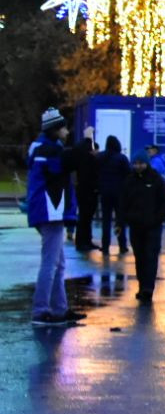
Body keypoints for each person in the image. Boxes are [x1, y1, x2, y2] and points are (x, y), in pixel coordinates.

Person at [27, 109, 94, 325]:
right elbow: (68, 161)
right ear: (55, 129)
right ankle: (41, 311)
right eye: (63, 127)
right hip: (50, 210)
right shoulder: (48, 150)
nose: (66, 131)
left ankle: (59, 309)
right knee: (51, 264)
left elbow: (68, 159)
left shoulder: (42, 148)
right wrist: (87, 140)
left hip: (47, 210)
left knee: (58, 263)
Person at [121, 148, 165, 303]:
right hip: (135, 226)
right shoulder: (129, 180)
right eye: (135, 163)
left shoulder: (156, 179)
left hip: (152, 227)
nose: (138, 166)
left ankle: (148, 288)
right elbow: (123, 202)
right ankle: (142, 285)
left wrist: (157, 219)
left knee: (150, 256)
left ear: (146, 163)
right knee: (139, 257)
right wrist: (125, 219)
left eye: (141, 163)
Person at [97, 135, 131, 255]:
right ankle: (122, 245)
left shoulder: (100, 157)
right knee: (120, 220)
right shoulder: (121, 158)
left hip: (105, 192)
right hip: (119, 193)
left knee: (106, 220)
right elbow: (128, 174)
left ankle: (105, 246)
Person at [74, 132, 101, 252]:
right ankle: (82, 241)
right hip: (88, 192)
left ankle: (86, 240)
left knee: (86, 218)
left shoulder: (85, 161)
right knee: (85, 218)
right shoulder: (89, 162)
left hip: (86, 191)